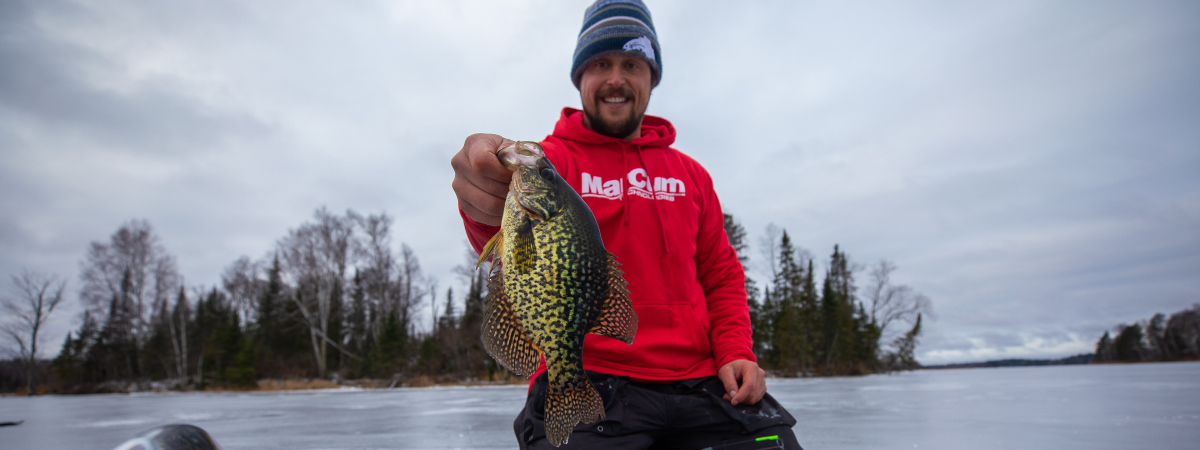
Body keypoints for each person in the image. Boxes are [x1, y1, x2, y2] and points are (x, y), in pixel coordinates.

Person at [450, 1, 801, 448]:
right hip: (592, 375)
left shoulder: (692, 175)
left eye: (631, 63)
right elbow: (505, 240)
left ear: (651, 77)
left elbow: (721, 272)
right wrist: (482, 197)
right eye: (600, 63)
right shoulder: (551, 164)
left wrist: (736, 352)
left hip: (706, 384)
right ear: (580, 77)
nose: (615, 78)